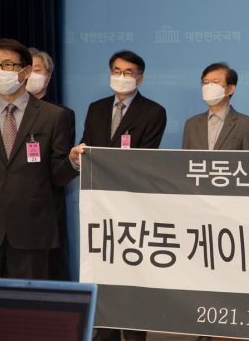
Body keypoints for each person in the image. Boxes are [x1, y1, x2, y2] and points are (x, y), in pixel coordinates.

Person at [0, 38, 75, 279]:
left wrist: (72, 162)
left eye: (7, 65)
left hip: (32, 232)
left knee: (27, 302)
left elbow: (57, 177)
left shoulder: (53, 117)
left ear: (26, 72)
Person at [70, 50, 166, 341]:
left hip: (133, 207)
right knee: (103, 273)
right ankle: (105, 330)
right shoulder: (96, 108)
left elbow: (144, 160)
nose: (121, 77)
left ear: (140, 78)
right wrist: (77, 156)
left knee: (133, 275)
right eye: (116, 70)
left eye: (128, 72)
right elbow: (88, 147)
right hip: (99, 207)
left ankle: (134, 334)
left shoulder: (153, 112)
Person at [27, 47, 76, 281]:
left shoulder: (60, 115)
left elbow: (60, 167)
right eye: (27, 69)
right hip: (9, 205)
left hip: (46, 204)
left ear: (48, 76)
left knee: (48, 268)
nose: (31, 75)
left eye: (37, 70)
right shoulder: (4, 113)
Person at [182, 63, 249, 150]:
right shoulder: (191, 124)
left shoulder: (246, 125)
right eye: (205, 82)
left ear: (230, 89)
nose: (209, 87)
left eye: (215, 82)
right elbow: (184, 157)